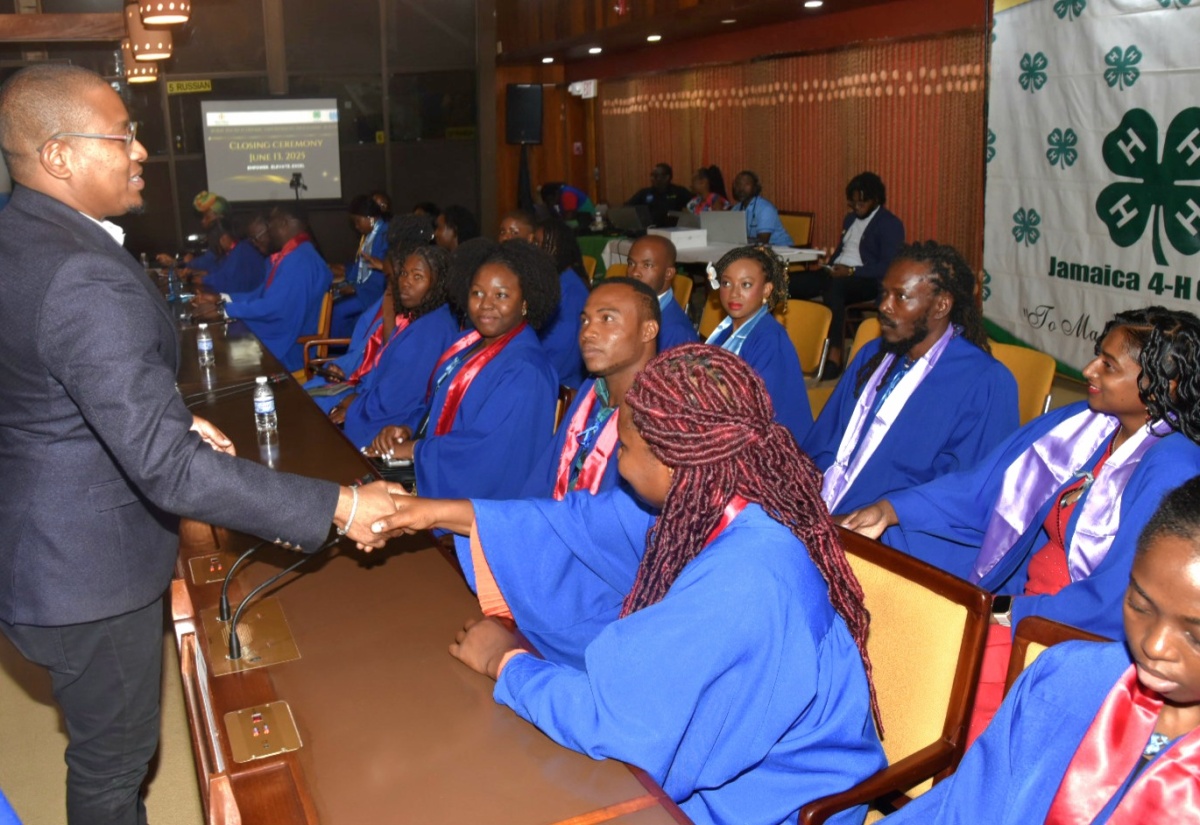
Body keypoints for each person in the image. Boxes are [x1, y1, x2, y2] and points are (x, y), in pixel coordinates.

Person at [0, 64, 395, 825]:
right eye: (123, 136)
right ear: (58, 155)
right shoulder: (81, 271)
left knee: (103, 751)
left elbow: (42, 383)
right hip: (84, 573)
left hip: (35, 546)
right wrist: (342, 504)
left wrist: (160, 413)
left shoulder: (21, 239)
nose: (141, 150)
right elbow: (170, 472)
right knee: (113, 769)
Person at [369, 344, 886, 825]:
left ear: (672, 461)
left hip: (762, 802)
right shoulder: (719, 501)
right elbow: (582, 523)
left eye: (624, 449)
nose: (616, 462)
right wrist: (436, 511)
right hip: (738, 760)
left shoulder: (745, 579)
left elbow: (619, 725)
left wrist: (504, 663)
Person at [841, 306, 1200, 740]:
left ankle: (936, 773)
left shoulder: (1173, 467)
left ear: (1166, 385)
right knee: (895, 595)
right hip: (1024, 594)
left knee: (944, 664)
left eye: (1108, 365)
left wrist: (1011, 612)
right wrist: (894, 509)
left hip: (1072, 626)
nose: (1089, 370)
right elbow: (986, 486)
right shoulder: (1085, 423)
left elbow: (1120, 597)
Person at [882, 475, 1200, 825]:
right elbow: (960, 809)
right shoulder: (1065, 678)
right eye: (1140, 605)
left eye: (1195, 637)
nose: (1153, 645)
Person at [802, 242, 1018, 515]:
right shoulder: (872, 355)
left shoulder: (985, 382)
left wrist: (890, 512)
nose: (883, 306)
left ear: (941, 305)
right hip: (827, 506)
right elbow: (825, 440)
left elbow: (973, 489)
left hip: (892, 531)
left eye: (901, 296)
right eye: (884, 294)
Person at [364, 240, 559, 500]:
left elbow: (489, 453)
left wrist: (415, 450)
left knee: (369, 497)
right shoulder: (468, 343)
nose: (486, 304)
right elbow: (437, 406)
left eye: (501, 295)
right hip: (441, 464)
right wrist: (407, 429)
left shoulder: (527, 371)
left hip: (478, 496)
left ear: (525, 302)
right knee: (361, 478)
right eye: (478, 293)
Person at [522, 276, 661, 498]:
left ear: (648, 331)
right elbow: (545, 476)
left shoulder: (658, 413)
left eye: (607, 318)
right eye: (585, 321)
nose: (587, 333)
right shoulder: (592, 389)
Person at [302, 213, 437, 411]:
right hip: (356, 375)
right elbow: (365, 348)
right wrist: (342, 366)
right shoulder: (390, 297)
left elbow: (386, 361)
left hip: (370, 389)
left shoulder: (413, 315)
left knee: (311, 405)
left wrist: (351, 377)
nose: (396, 284)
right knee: (305, 394)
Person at [336, 244, 460, 448]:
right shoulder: (425, 317)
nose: (405, 282)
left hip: (389, 428)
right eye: (403, 273)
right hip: (382, 407)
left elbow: (391, 401)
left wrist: (354, 405)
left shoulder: (429, 333)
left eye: (417, 276)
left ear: (438, 283)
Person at [193, 201, 332, 372]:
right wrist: (221, 299)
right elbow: (260, 295)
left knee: (223, 356)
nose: (269, 229)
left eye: (271, 223)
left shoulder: (300, 261)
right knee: (221, 346)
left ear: (284, 224)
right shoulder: (294, 255)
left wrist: (225, 310)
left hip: (288, 348)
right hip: (284, 338)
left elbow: (275, 308)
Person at [789, 172, 905, 374]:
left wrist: (851, 271)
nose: (857, 208)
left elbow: (889, 265)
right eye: (853, 204)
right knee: (788, 282)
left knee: (835, 289)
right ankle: (794, 347)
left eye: (862, 203)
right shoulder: (849, 219)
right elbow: (842, 250)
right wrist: (830, 266)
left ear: (875, 200)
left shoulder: (889, 224)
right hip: (837, 273)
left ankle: (834, 357)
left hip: (866, 280)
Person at [706, 245, 812, 444]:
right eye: (727, 283)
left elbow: (757, 409)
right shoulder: (725, 331)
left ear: (766, 290)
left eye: (746, 285)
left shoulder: (770, 339)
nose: (734, 293)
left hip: (769, 446)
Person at [534, 217, 589, 389]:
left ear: (557, 249)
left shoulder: (571, 293)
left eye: (538, 244)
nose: (533, 249)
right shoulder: (551, 281)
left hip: (560, 387)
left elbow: (563, 357)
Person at [623, 234, 699, 351]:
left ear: (668, 273)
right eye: (631, 263)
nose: (634, 273)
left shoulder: (675, 333)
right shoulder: (629, 306)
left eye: (647, 265)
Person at [329, 194, 389, 338]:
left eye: (357, 221)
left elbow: (381, 272)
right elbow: (360, 267)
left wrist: (356, 288)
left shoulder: (386, 235)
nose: (356, 226)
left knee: (337, 311)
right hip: (364, 288)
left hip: (375, 293)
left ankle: (337, 349)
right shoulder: (370, 234)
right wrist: (348, 281)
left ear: (370, 218)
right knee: (332, 298)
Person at [197, 213, 269, 295]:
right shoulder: (239, 249)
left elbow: (229, 282)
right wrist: (207, 275)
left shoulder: (241, 251)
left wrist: (204, 280)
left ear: (224, 238)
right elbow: (223, 272)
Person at [731, 170, 792, 246]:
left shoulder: (766, 209)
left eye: (746, 184)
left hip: (781, 251)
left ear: (755, 188)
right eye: (738, 184)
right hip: (753, 251)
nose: (741, 188)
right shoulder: (736, 209)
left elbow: (762, 241)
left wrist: (736, 240)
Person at [625, 162, 692, 227]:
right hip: (649, 230)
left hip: (672, 230)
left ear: (666, 177)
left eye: (655, 176)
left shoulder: (679, 191)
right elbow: (627, 207)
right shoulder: (644, 193)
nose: (652, 178)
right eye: (651, 175)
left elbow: (696, 205)